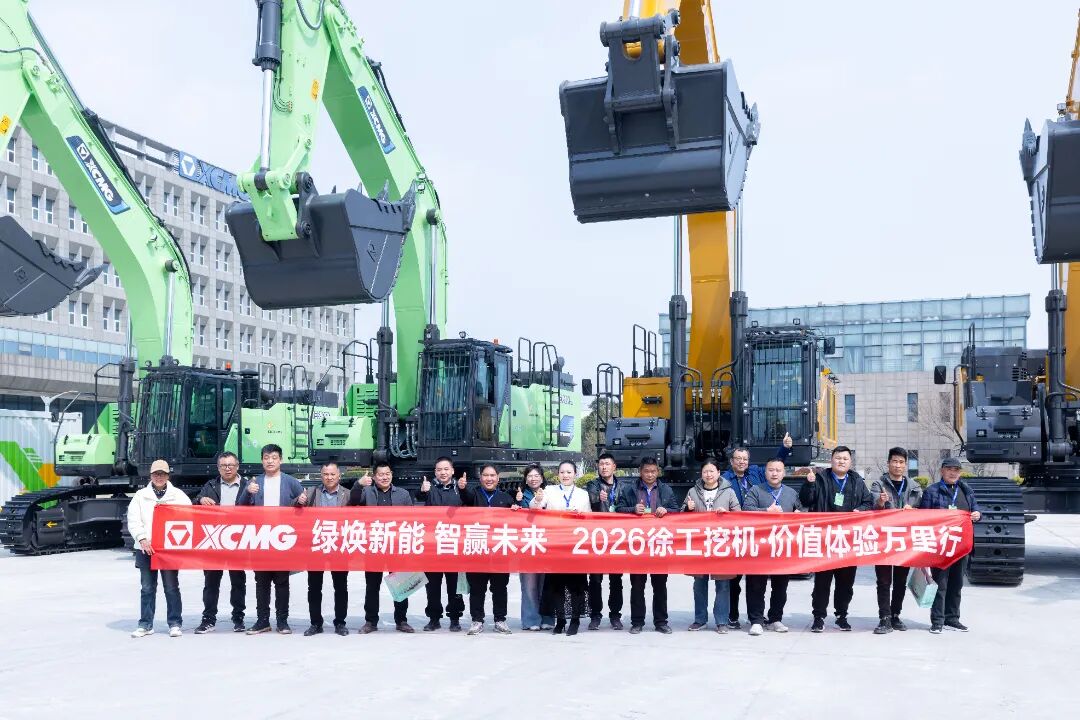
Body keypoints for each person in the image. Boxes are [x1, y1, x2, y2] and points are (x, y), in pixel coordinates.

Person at [723, 433, 793, 629]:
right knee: (734, 580)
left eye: (745, 459)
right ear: (731, 461)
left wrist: (785, 448)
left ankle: (763, 618)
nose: (742, 462)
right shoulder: (724, 479)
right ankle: (733, 616)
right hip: (735, 533)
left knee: (765, 581)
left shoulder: (755, 473)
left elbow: (774, 467)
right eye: (738, 459)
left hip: (760, 535)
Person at [800, 445, 873, 632]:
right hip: (825, 538)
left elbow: (868, 502)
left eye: (845, 459)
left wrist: (860, 510)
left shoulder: (857, 481)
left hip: (848, 540)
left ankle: (841, 616)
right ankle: (819, 617)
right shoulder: (820, 478)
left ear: (850, 462)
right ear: (831, 460)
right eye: (838, 458)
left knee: (846, 582)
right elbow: (806, 501)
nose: (841, 461)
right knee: (822, 582)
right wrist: (809, 484)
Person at [237, 443, 308, 635]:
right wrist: (247, 492)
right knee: (261, 582)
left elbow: (303, 504)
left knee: (282, 582)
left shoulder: (290, 482)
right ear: (262, 461)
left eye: (274, 458)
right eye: (266, 458)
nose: (270, 461)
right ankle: (262, 620)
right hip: (260, 539)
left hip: (282, 540)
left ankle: (282, 621)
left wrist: (302, 501)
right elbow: (240, 508)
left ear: (280, 460)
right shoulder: (255, 482)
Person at [127, 459, 191, 638]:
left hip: (168, 549)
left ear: (168, 476)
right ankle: (145, 624)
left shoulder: (178, 495)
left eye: (162, 474)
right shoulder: (140, 496)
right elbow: (133, 520)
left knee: (171, 587)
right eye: (156, 474)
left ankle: (175, 623)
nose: (159, 477)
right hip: (145, 548)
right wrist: (142, 538)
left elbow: (189, 516)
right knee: (147, 587)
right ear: (151, 475)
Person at [615, 456, 680, 634]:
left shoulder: (666, 489)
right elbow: (618, 509)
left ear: (658, 471)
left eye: (653, 471)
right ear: (640, 472)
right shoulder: (630, 489)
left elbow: (676, 510)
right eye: (646, 471)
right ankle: (637, 622)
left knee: (660, 586)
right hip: (637, 545)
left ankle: (661, 622)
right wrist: (632, 509)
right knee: (637, 586)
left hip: (658, 544)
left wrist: (666, 510)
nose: (650, 475)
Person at [349, 461, 415, 633]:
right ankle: (371, 621)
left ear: (391, 474)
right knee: (372, 586)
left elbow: (411, 519)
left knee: (400, 584)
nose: (384, 477)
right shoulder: (367, 493)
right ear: (374, 476)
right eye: (380, 474)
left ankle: (401, 620)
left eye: (387, 474)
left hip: (396, 546)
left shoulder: (403, 494)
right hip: (374, 546)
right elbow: (353, 501)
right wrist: (358, 484)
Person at [743, 457, 805, 636]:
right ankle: (756, 620)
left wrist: (799, 513)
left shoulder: (791, 493)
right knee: (756, 585)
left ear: (784, 473)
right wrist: (766, 512)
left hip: (782, 546)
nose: (774, 473)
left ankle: (775, 619)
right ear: (765, 472)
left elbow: (800, 511)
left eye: (778, 470)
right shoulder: (756, 490)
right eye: (771, 470)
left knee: (780, 586)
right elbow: (746, 510)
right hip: (759, 546)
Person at [919, 457, 981, 634]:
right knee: (940, 584)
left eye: (956, 470)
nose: (953, 473)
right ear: (942, 471)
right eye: (949, 469)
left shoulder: (966, 490)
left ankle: (952, 619)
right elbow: (923, 518)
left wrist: (977, 514)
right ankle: (937, 621)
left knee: (957, 583)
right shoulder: (932, 491)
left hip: (961, 546)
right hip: (940, 546)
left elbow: (976, 509)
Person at [531, 460, 592, 635]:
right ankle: (560, 620)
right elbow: (534, 508)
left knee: (576, 586)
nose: (565, 475)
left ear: (575, 474)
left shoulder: (582, 494)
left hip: (575, 545)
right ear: (558, 474)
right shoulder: (549, 490)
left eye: (569, 472)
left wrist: (581, 516)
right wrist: (538, 499)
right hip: (555, 544)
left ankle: (575, 620)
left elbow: (589, 518)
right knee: (556, 585)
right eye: (562, 472)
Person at [869, 447, 925, 634]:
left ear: (905, 465)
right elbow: (873, 508)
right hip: (884, 539)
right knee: (884, 581)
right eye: (894, 461)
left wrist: (914, 511)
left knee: (900, 581)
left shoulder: (915, 487)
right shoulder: (878, 484)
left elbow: (924, 512)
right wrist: (881, 502)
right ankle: (884, 618)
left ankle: (895, 615)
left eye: (901, 462)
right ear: (888, 463)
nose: (898, 465)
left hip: (905, 540)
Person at [682, 457, 739, 633]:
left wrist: (727, 514)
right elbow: (681, 517)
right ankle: (700, 619)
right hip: (700, 544)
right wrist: (688, 508)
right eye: (705, 471)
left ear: (718, 473)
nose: (708, 474)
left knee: (723, 584)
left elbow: (739, 514)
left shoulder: (728, 492)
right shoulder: (693, 491)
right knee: (699, 583)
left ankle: (721, 621)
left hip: (721, 544)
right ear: (701, 473)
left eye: (711, 471)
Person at [193, 451, 247, 634]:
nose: (227, 468)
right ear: (218, 468)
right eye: (223, 465)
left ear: (237, 466)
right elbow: (194, 503)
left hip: (238, 541)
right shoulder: (210, 485)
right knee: (211, 582)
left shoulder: (247, 486)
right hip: (214, 540)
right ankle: (208, 619)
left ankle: (238, 618)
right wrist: (200, 499)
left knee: (238, 581)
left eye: (231, 465)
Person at [460, 464, 515, 635]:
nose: (489, 479)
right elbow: (465, 496)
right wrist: (462, 488)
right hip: (477, 549)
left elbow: (515, 521)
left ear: (498, 478)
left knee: (500, 588)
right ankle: (477, 620)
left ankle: (500, 620)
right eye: (485, 475)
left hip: (499, 551)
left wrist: (516, 508)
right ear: (480, 477)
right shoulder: (474, 494)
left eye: (492, 475)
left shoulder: (505, 498)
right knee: (477, 588)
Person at [416, 456, 468, 632]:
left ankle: (455, 618)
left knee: (454, 585)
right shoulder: (429, 488)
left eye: (446, 469)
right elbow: (417, 499)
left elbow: (470, 502)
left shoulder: (459, 488)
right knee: (432, 585)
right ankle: (434, 618)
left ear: (452, 471)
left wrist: (464, 489)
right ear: (435, 472)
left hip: (454, 545)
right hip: (433, 545)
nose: (443, 473)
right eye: (439, 470)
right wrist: (422, 491)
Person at [302, 462, 351, 637]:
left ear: (339, 476)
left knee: (341, 587)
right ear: (321, 475)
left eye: (332, 474)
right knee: (314, 587)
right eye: (325, 474)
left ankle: (340, 623)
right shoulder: (311, 493)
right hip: (316, 546)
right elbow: (294, 509)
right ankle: (316, 623)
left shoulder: (348, 495)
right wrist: (298, 501)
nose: (329, 477)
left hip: (339, 547)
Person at [585, 451, 624, 630]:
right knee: (595, 579)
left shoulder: (623, 486)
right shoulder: (592, 485)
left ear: (614, 467)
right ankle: (595, 615)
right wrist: (597, 499)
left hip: (617, 539)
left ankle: (615, 615)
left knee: (616, 580)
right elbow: (591, 501)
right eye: (601, 464)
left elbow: (627, 506)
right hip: (598, 538)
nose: (604, 467)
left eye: (607, 464)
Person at [516, 464, 555, 631]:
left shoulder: (550, 493)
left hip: (547, 543)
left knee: (547, 583)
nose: (533, 479)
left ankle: (547, 617)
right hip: (527, 543)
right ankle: (531, 619)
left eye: (537, 475)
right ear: (525, 479)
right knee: (529, 583)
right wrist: (517, 503)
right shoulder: (519, 495)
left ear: (542, 478)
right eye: (530, 476)